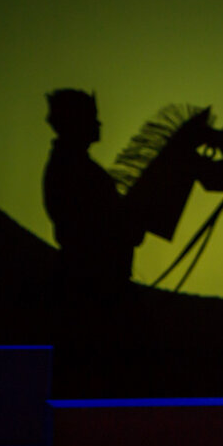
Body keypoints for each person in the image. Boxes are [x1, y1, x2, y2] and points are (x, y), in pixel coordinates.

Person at [43, 89, 144, 299]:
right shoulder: (72, 168)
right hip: (92, 277)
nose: (98, 124)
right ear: (76, 123)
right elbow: (90, 221)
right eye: (92, 118)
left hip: (97, 271)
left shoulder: (74, 165)